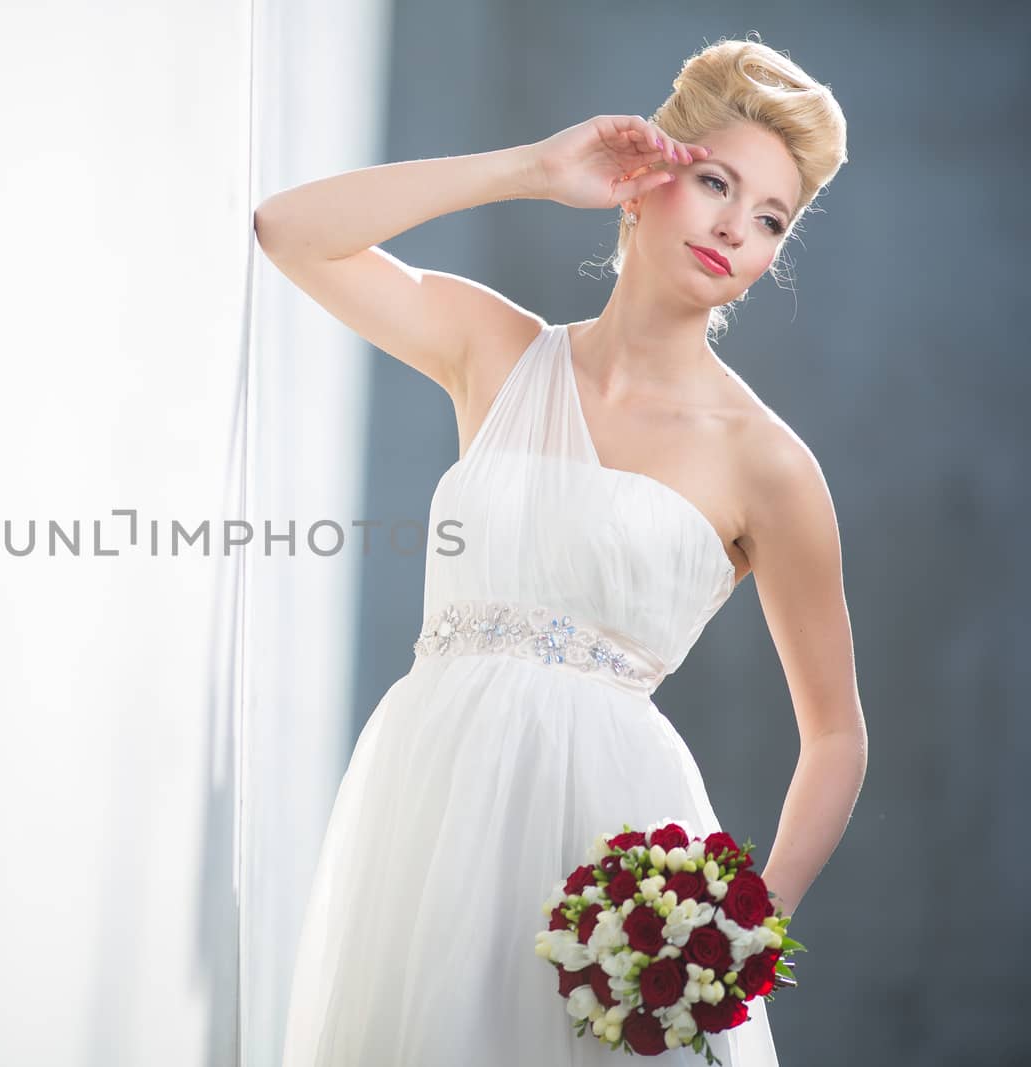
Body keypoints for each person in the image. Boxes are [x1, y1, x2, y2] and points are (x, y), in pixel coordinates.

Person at [253, 36, 867, 1066]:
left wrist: (733, 926)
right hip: (428, 800)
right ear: (642, 181)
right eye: (715, 181)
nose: (734, 227)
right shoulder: (492, 350)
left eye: (770, 219)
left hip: (612, 848)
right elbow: (290, 231)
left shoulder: (768, 463)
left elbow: (837, 736)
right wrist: (531, 170)